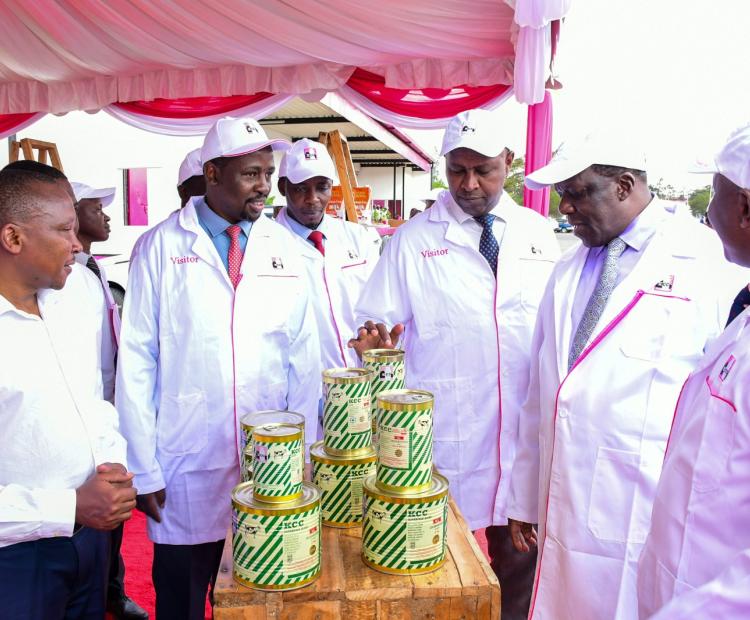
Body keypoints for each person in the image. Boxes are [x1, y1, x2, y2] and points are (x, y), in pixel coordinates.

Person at [506, 132, 743, 619]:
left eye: (577, 192)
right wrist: (524, 495)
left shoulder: (709, 263)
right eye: (561, 195)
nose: (565, 207)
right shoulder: (566, 268)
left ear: (624, 186)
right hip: (562, 497)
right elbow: (543, 392)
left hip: (643, 506)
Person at [349, 109, 560, 619]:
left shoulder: (538, 234)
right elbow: (372, 328)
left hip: (522, 441)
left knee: (519, 570)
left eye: (483, 169)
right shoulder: (412, 240)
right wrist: (373, 345)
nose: (468, 184)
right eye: (456, 169)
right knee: (438, 575)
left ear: (507, 162)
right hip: (446, 439)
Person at [116, 116, 320, 620]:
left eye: (268, 173)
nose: (265, 186)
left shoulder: (283, 248)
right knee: (182, 599)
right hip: (186, 459)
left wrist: (301, 456)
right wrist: (142, 467)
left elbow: (304, 357)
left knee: (261, 597)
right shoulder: (160, 247)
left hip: (270, 464)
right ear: (212, 174)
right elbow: (137, 360)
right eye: (251, 173)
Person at [0, 167, 135, 619]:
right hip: (16, 559)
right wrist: (70, 506)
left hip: (90, 540)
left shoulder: (77, 291)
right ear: (13, 238)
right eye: (63, 230)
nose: (77, 245)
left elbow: (93, 394)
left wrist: (110, 459)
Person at [636, 124, 750, 618]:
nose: (708, 211)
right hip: (681, 580)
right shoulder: (741, 311)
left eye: (716, 196)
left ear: (745, 207)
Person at [71, 181, 147, 620]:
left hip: (107, 408)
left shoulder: (91, 269)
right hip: (84, 406)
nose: (106, 217)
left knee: (111, 517)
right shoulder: (59, 277)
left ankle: (111, 593)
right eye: (95, 208)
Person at [275, 138, 381, 370]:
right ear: (282, 186)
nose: (313, 199)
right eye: (301, 188)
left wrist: (374, 335)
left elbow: (378, 305)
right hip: (302, 387)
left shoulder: (359, 239)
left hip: (359, 381)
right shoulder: (266, 245)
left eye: (322, 187)